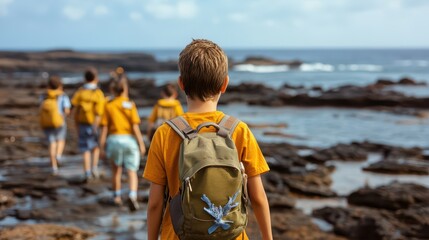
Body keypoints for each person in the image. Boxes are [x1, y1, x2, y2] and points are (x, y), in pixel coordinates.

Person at [143, 39, 273, 240]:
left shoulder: (165, 133)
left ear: (181, 83)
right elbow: (258, 197)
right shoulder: (239, 131)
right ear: (225, 84)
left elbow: (154, 203)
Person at [99, 72, 146, 211]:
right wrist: (141, 144)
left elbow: (104, 128)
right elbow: (135, 127)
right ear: (125, 89)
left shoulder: (109, 105)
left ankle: (117, 197)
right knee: (132, 171)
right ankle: (132, 195)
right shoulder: (130, 105)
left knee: (116, 171)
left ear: (113, 90)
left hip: (114, 140)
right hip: (129, 141)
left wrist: (101, 146)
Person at [71, 67, 105, 182]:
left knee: (85, 149)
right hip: (94, 124)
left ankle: (87, 172)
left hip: (82, 124)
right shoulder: (98, 93)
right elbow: (100, 112)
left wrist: (75, 124)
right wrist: (97, 125)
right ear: (96, 78)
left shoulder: (80, 92)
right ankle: (94, 168)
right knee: (95, 147)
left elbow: (74, 107)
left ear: (85, 78)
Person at [40, 75, 71, 175]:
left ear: (48, 85)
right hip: (59, 122)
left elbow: (41, 107)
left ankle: (53, 166)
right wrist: (63, 116)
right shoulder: (62, 95)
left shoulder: (44, 95)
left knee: (51, 143)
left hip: (47, 122)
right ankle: (58, 155)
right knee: (61, 140)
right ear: (60, 85)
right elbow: (67, 110)